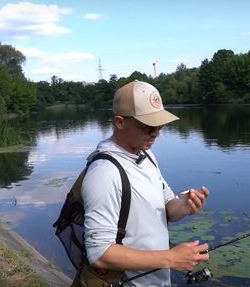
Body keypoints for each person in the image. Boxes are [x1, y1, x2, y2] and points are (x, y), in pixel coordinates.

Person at [80, 80, 210, 286]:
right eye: (147, 125)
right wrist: (171, 258)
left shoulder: (146, 155)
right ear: (120, 122)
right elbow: (99, 254)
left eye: (159, 125)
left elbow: (168, 207)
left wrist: (184, 206)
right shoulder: (104, 173)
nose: (156, 132)